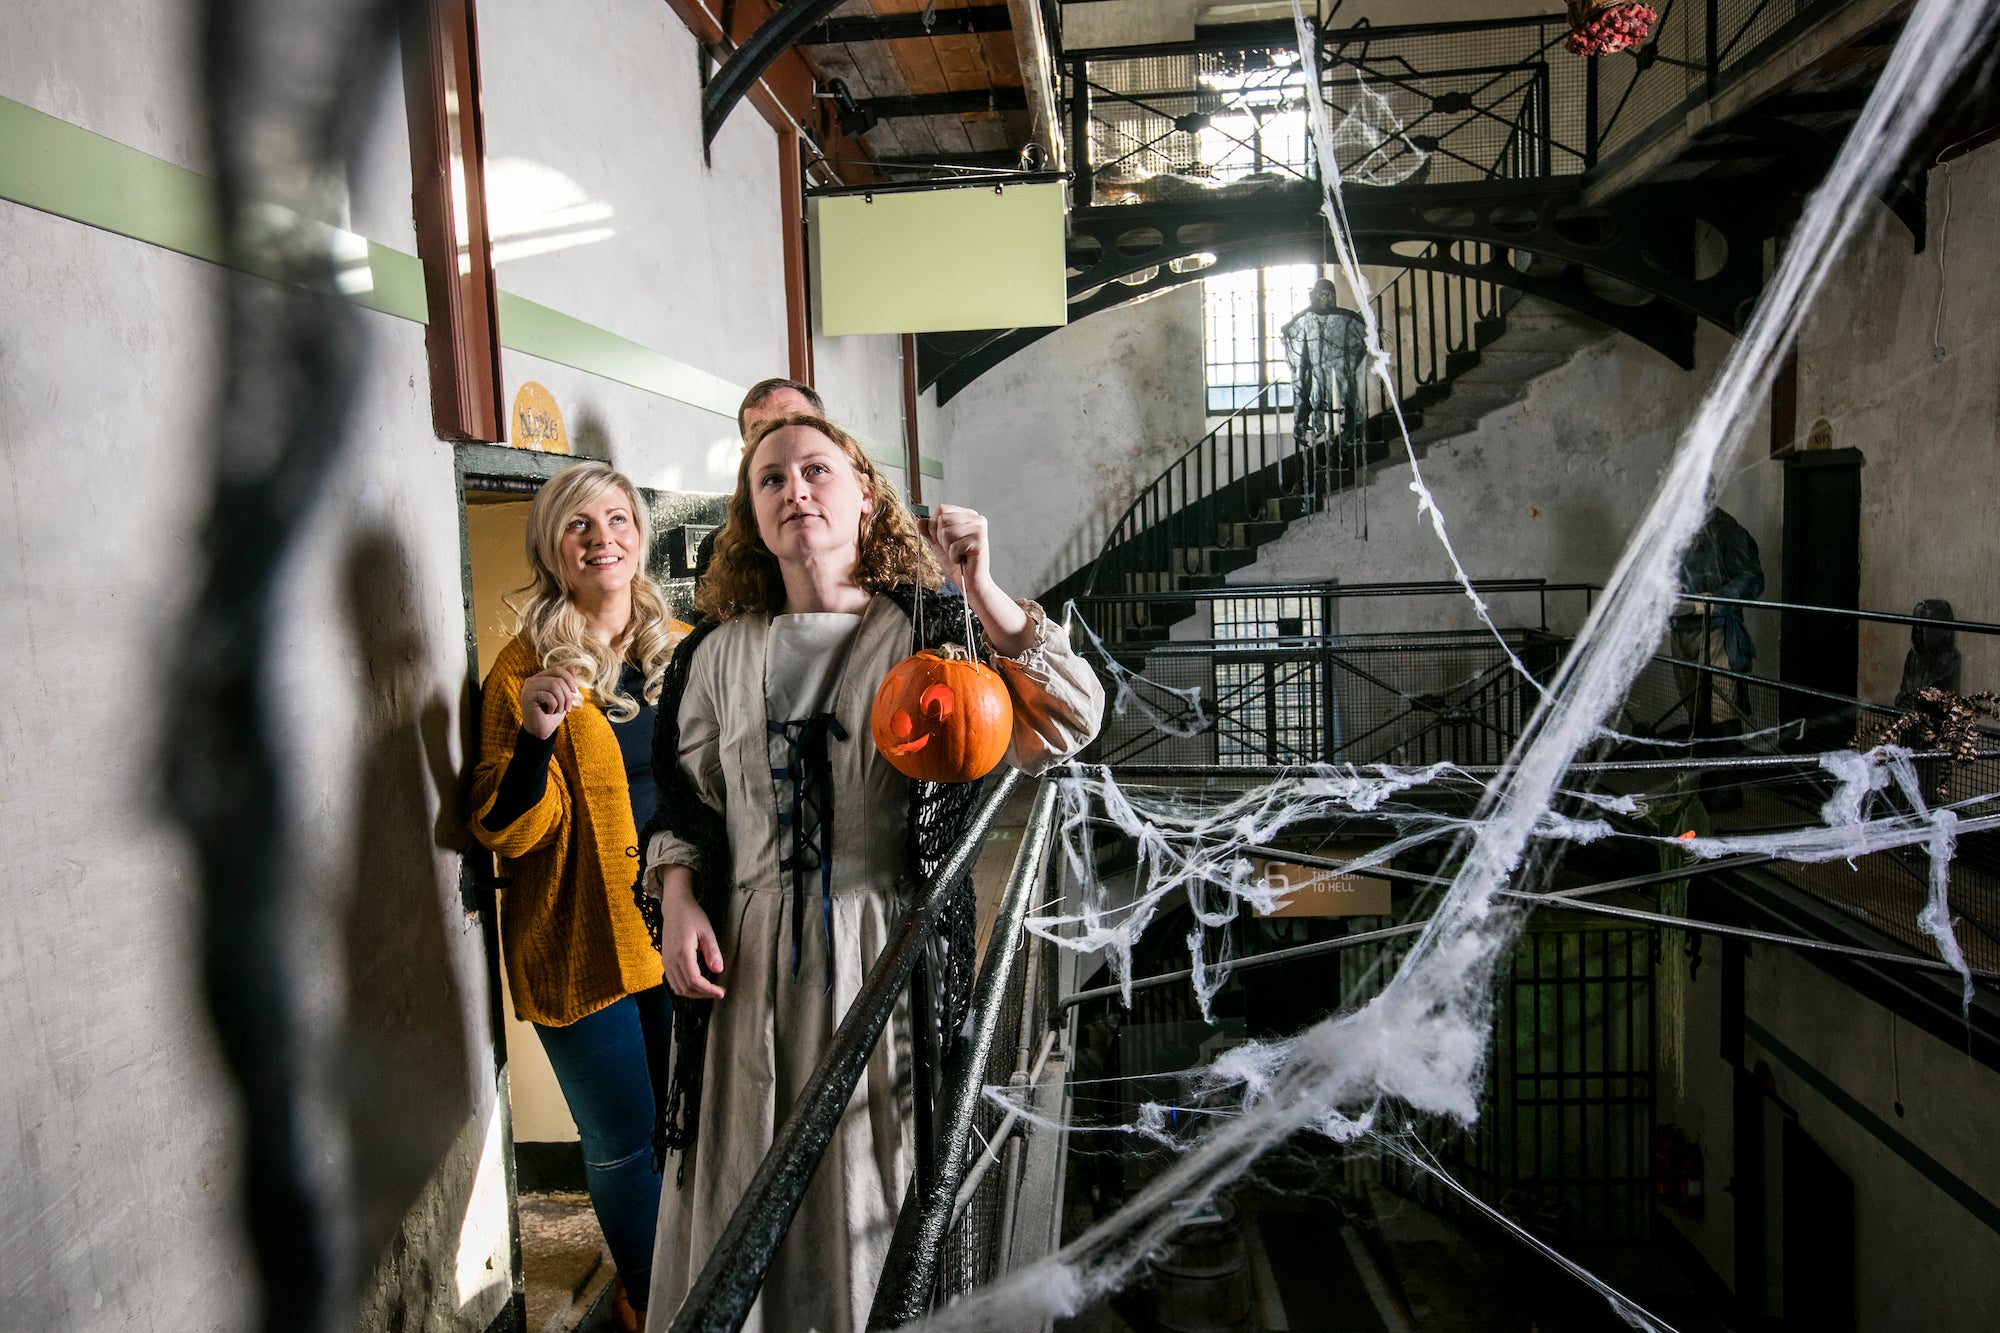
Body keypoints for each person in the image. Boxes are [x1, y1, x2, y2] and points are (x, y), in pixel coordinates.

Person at [637, 413, 1104, 1332]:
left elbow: (1073, 722)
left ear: (863, 496)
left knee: (863, 1175)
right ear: (752, 517)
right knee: (743, 1170)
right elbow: (687, 804)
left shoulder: (935, 632)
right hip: (746, 957)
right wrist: (681, 894)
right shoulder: (713, 653)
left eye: (816, 470)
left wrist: (984, 591)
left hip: (883, 947)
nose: (794, 490)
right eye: (770, 480)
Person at [469, 462, 685, 1332]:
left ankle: (695, 1269)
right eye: (578, 525)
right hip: (581, 935)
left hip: (679, 925)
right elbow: (501, 824)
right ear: (551, 549)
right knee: (627, 1141)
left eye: (618, 518)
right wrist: (533, 735)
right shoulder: (524, 666)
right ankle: (648, 1299)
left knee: (686, 1127)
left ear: (640, 531)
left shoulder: (681, 643)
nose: (604, 538)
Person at [1280, 278, 1369, 449]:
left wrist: (1375, 331)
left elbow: (1358, 323)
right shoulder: (1304, 317)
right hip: (1312, 364)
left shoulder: (1342, 316)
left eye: (1328, 295)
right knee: (1305, 388)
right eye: (1321, 295)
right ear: (1314, 296)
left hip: (1335, 363)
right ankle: (1301, 426)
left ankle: (1350, 428)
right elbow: (1289, 329)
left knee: (1348, 388)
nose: (1324, 299)